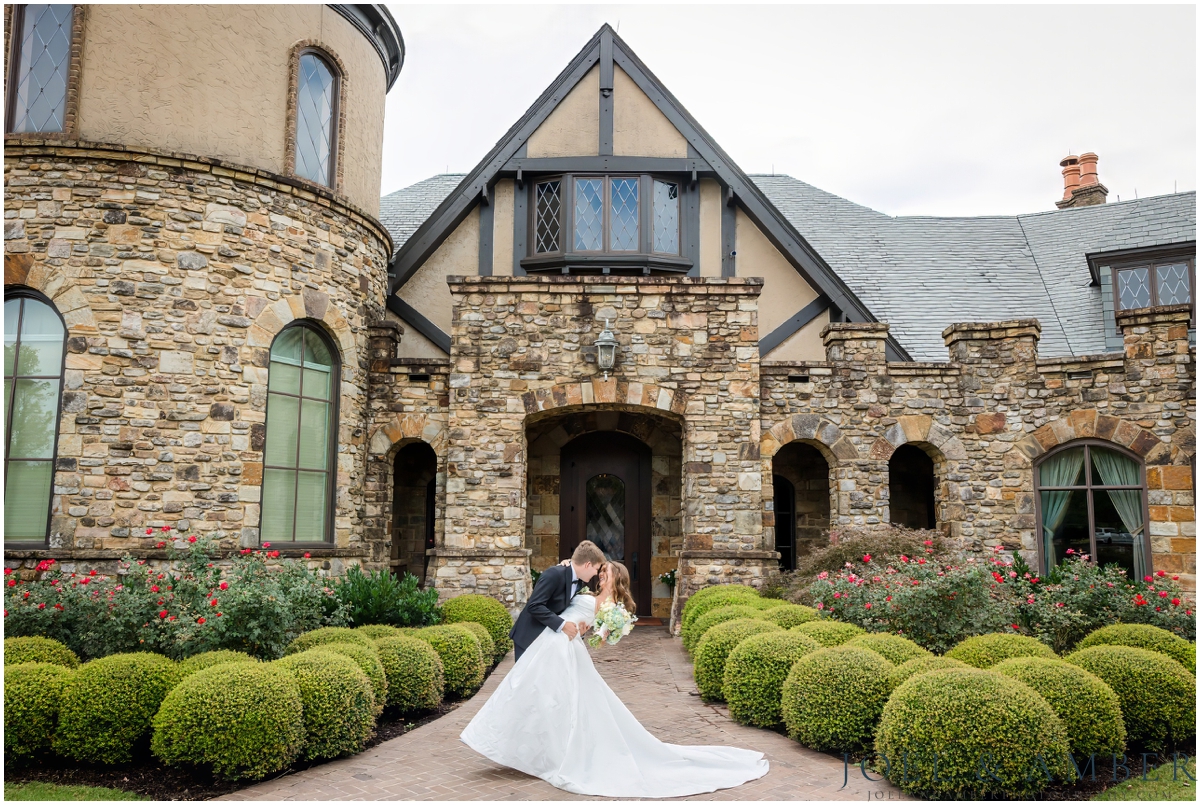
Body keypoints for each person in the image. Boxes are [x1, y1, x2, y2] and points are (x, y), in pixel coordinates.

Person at [460, 553, 769, 798]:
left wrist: (594, 630)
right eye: (601, 569)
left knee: (559, 702)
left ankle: (552, 754)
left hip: (564, 650)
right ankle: (529, 750)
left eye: (606, 571)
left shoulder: (612, 607)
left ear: (616, 577)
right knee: (533, 695)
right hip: (551, 645)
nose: (601, 574)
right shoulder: (582, 589)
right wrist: (574, 611)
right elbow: (564, 607)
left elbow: (605, 638)